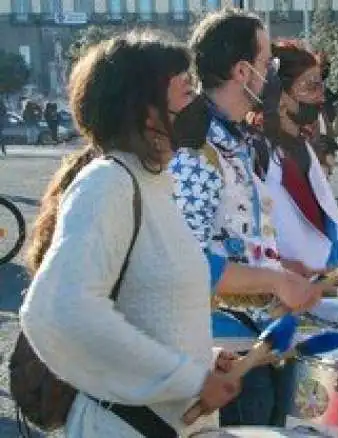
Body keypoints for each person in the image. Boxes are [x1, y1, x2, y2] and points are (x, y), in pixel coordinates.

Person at [19, 31, 241, 438]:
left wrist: (200, 361)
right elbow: (59, 310)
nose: (197, 105)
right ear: (145, 109)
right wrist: (186, 378)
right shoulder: (110, 183)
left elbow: (146, 308)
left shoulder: (155, 182)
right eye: (185, 91)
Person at [169, 9, 324, 427]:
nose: (272, 74)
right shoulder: (196, 152)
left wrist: (286, 268)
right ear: (242, 71)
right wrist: (276, 281)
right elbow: (189, 266)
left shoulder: (236, 141)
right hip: (225, 349)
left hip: (262, 339)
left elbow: (235, 238)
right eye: (267, 64)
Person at [254, 40, 338, 274]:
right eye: (311, 86)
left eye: (321, 85)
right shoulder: (259, 151)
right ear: (279, 94)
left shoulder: (303, 145)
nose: (321, 95)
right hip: (285, 286)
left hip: (319, 280)